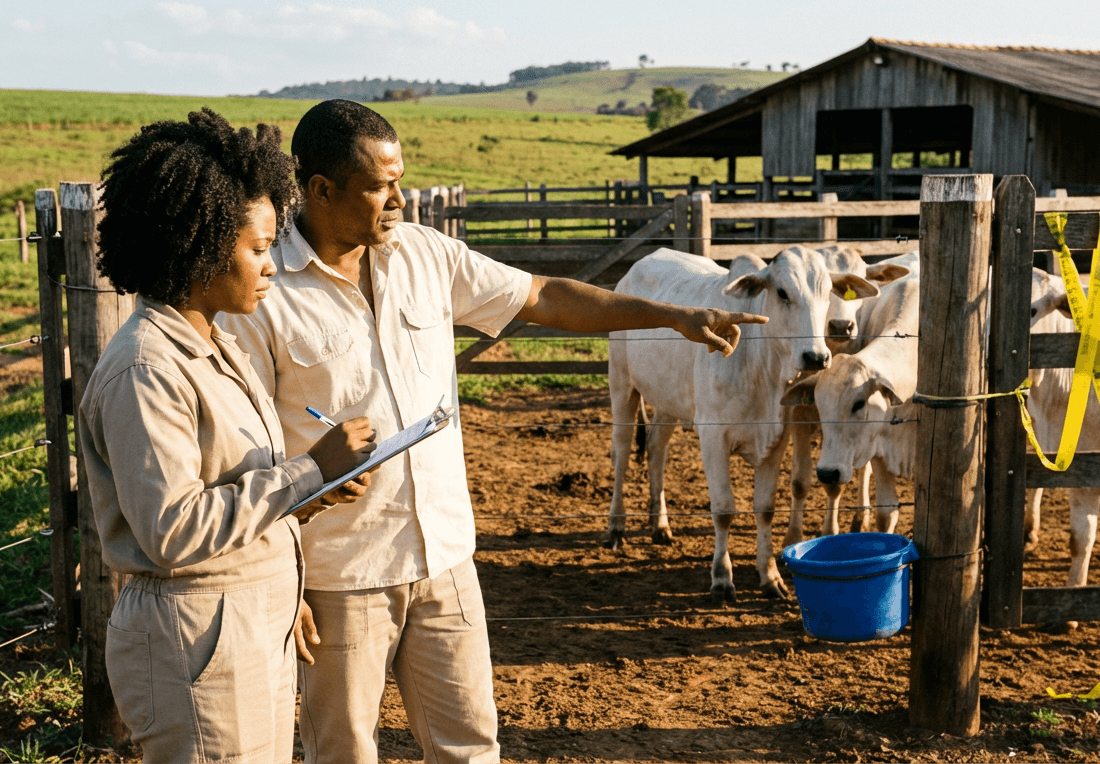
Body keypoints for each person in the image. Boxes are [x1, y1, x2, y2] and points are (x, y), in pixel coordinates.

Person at [218, 99, 768, 763]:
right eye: (380, 186)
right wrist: (285, 577)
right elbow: (246, 449)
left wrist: (669, 315)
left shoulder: (425, 254)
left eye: (400, 181)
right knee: (343, 752)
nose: (399, 200)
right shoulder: (262, 291)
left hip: (446, 557)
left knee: (472, 747)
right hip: (338, 574)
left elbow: (544, 296)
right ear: (321, 190)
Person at [77, 108, 377, 764]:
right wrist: (309, 471)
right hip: (196, 638)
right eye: (258, 248)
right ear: (201, 246)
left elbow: (232, 488)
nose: (271, 267)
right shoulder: (147, 369)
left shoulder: (214, 346)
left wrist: (287, 562)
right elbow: (173, 529)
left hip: (240, 621)